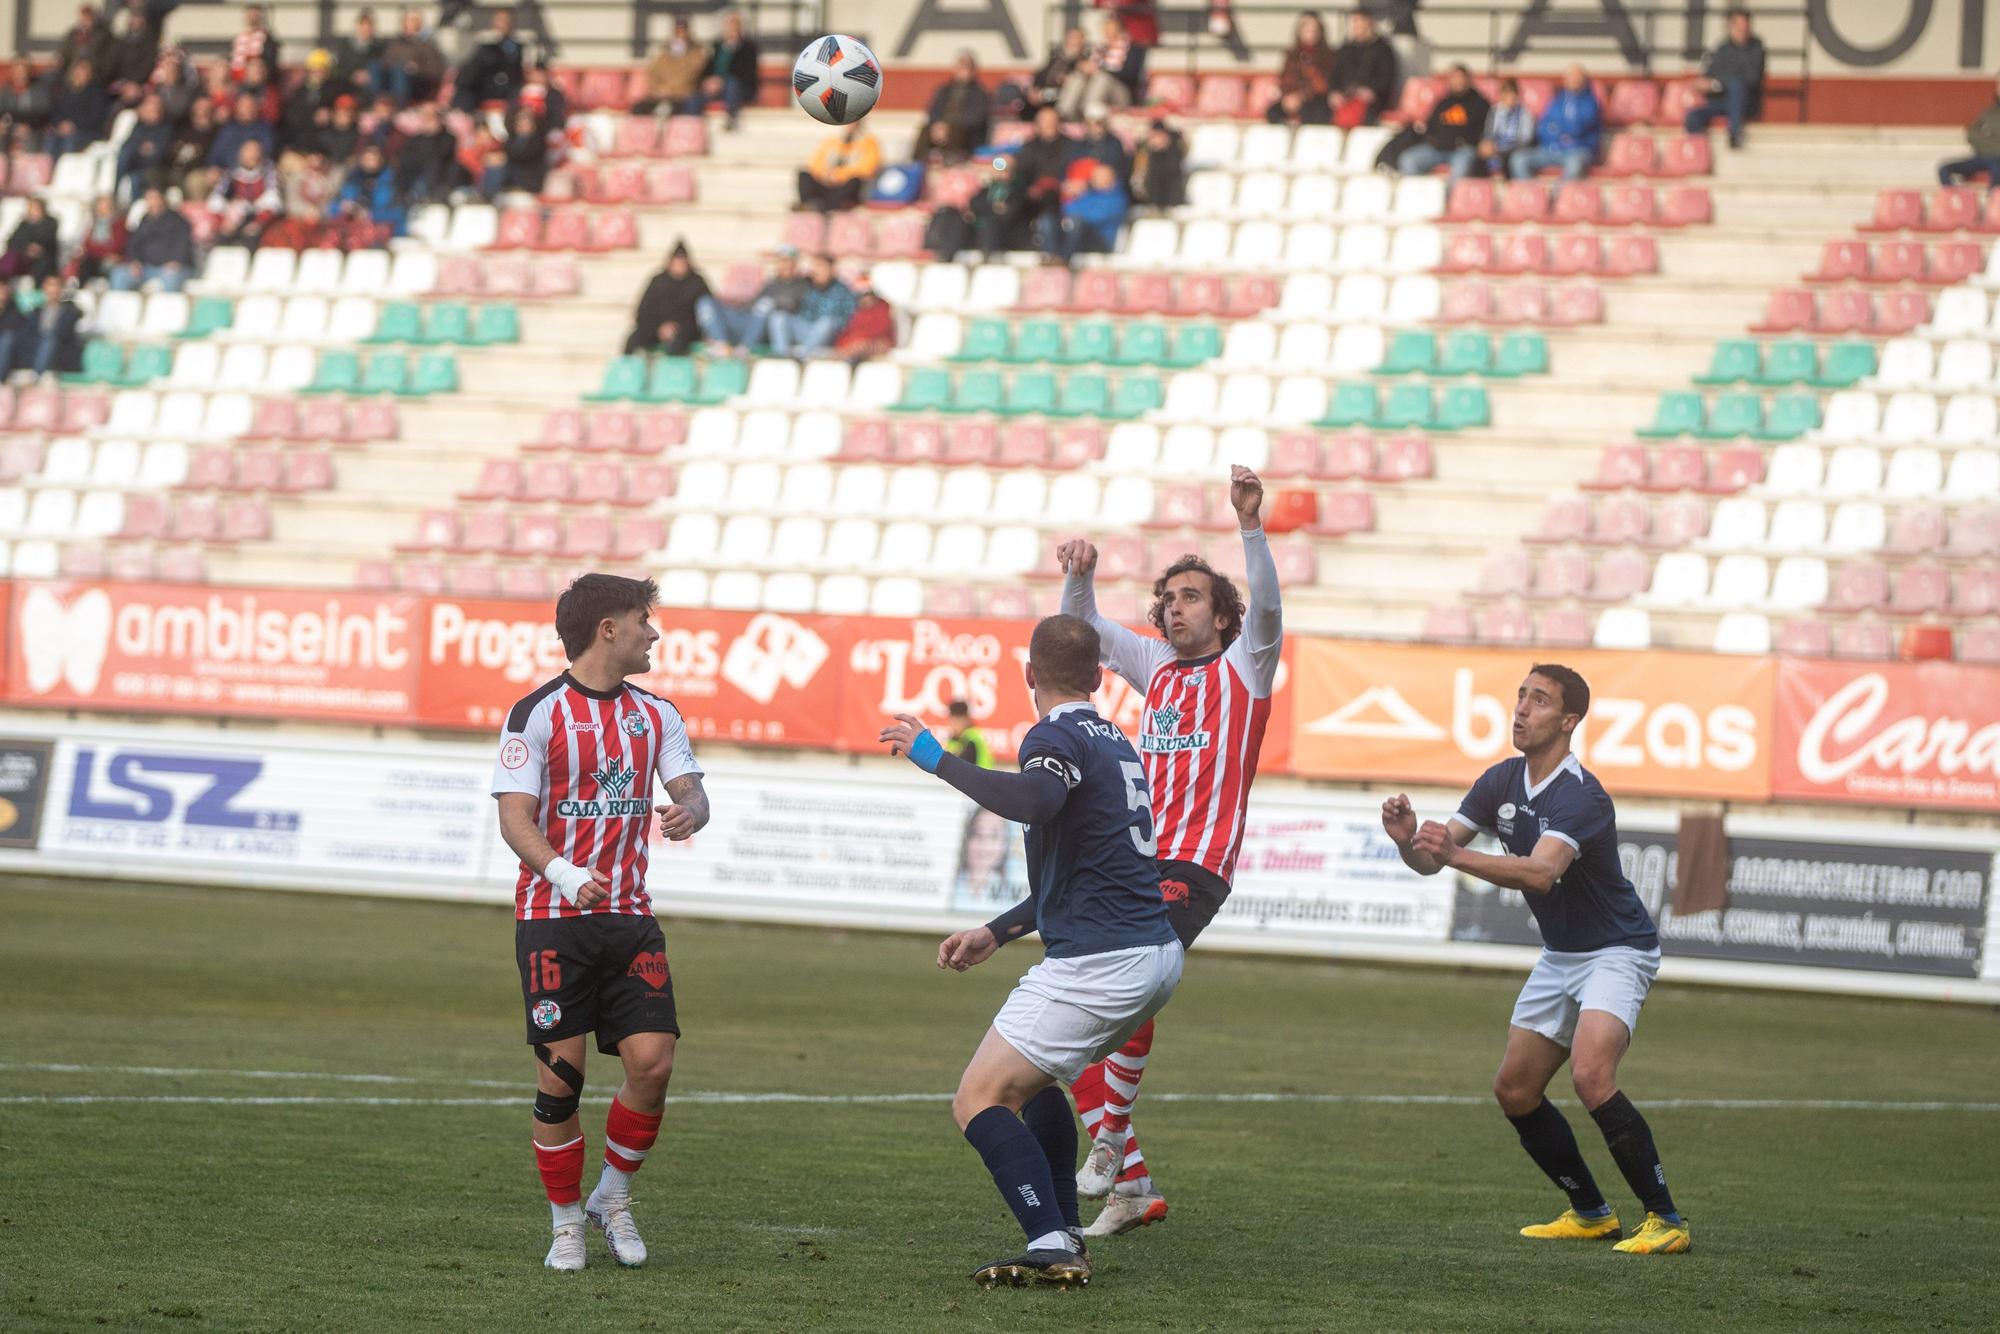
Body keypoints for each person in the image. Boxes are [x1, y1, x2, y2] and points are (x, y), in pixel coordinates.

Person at [881, 613, 1183, 1289]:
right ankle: (1065, 1230)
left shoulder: (1053, 735)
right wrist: (998, 930)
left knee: (978, 1100)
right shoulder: (1116, 741)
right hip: (1150, 954)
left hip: (1101, 962)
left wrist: (936, 757)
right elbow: (1082, 868)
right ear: (1100, 676)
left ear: (1028, 675)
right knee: (1034, 1084)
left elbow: (1038, 801)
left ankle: (1049, 1238)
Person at [1381, 665, 1691, 1257]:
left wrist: (1450, 855)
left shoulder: (1582, 796)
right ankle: (1592, 1213)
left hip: (1617, 950)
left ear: (1569, 721)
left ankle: (1667, 1219)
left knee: (1591, 1075)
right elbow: (1433, 858)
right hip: (1561, 954)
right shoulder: (1500, 780)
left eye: (1539, 700)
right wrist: (1407, 842)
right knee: (1515, 1090)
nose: (1521, 708)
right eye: (1521, 695)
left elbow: (1542, 873)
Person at [1055, 466, 1282, 1237]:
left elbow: (1272, 608)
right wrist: (1078, 578)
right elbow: (1079, 634)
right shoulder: (1157, 669)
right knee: (1072, 1014)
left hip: (1196, 866)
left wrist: (1250, 527)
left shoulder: (1245, 666)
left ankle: (1112, 1137)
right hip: (1134, 863)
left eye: (1191, 597)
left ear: (1223, 616)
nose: (1174, 608)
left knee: (1127, 975)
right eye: (1169, 598)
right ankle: (1135, 1187)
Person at [492, 573, 711, 1272]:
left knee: (654, 1064)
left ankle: (611, 1198)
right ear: (608, 629)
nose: (655, 633)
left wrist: (690, 813)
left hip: (630, 919)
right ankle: (564, 1224)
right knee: (562, 1079)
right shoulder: (536, 713)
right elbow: (513, 818)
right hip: (554, 918)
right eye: (644, 620)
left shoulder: (657, 715)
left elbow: (693, 791)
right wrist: (563, 873)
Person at [696, 245, 807, 356]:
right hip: (750, 321)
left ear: (795, 264)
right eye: (782, 261)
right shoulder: (771, 284)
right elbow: (753, 305)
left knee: (766, 305)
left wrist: (774, 303)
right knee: (705, 302)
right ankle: (721, 344)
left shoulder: (802, 284)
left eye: (788, 261)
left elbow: (789, 305)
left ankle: (746, 348)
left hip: (770, 328)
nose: (785, 265)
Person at [1386, 63, 1488, 178]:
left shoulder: (1480, 104)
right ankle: (1426, 193)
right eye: (1454, 78)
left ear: (1468, 80)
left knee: (1461, 167)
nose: (1458, 81)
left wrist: (1469, 142)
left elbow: (1484, 130)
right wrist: (1432, 139)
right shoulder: (1443, 103)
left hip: (1463, 150)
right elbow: (1431, 125)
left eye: (1461, 77)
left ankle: (1454, 196)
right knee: (1408, 160)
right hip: (1437, 148)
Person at [1683, 9, 1764, 150]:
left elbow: (1752, 79)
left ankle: (1735, 134)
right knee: (1693, 116)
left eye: (1744, 25)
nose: (1742, 29)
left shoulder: (1756, 49)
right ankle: (1697, 151)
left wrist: (1719, 83)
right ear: (1731, 26)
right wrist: (1706, 83)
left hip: (1745, 102)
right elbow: (1708, 77)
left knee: (1736, 86)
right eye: (1738, 25)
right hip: (1721, 102)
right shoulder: (1722, 49)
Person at [1512, 64, 1602, 180]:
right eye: (1570, 77)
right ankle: (1533, 194)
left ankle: (1558, 195)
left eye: (1577, 77)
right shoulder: (1557, 100)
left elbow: (1577, 128)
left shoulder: (1591, 103)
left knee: (1574, 165)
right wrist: (1558, 136)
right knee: (1519, 159)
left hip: (1578, 149)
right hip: (1551, 148)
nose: (1573, 80)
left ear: (1584, 81)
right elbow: (1544, 127)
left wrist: (1557, 128)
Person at [625, 241, 709, 357]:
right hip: (657, 327)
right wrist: (660, 328)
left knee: (677, 344)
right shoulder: (658, 281)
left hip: (686, 330)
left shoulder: (697, 283)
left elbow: (706, 312)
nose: (679, 265)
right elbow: (643, 311)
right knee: (634, 340)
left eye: (682, 261)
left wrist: (678, 328)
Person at [767, 252, 854, 358]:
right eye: (814, 267)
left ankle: (801, 357)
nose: (816, 271)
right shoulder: (807, 287)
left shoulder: (843, 291)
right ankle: (782, 356)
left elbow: (848, 319)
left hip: (827, 335)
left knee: (827, 322)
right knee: (778, 317)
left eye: (820, 266)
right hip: (807, 330)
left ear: (831, 269)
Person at [1012, 105, 1073, 254]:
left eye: (1052, 121)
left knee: (1049, 202)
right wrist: (1000, 164)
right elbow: (1006, 164)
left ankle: (1052, 252)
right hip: (1032, 194)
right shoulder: (1029, 146)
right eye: (1044, 121)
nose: (1048, 125)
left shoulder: (1071, 146)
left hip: (1060, 194)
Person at [0, 274, 85, 378]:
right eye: (50, 285)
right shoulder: (36, 311)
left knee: (49, 339)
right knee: (7, 338)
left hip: (59, 350)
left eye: (56, 285)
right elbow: (27, 334)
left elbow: (63, 334)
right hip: (36, 348)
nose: (53, 289)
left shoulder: (70, 311)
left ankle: (36, 378)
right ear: (44, 288)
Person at [112, 188, 196, 292]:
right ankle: (119, 308)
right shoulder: (144, 221)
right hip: (146, 268)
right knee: (120, 274)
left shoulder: (178, 221)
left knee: (171, 278)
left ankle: (168, 308)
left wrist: (176, 261)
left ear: (163, 200)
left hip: (174, 268)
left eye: (155, 198)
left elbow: (184, 244)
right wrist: (135, 261)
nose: (152, 202)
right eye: (149, 199)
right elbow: (133, 244)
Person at [689, 11, 758, 131]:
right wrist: (708, 81)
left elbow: (747, 73)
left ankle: (731, 119)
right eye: (728, 25)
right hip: (715, 87)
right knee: (694, 97)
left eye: (734, 25)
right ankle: (694, 126)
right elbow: (708, 68)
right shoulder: (717, 45)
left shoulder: (748, 47)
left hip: (739, 88)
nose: (731, 28)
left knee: (732, 83)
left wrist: (722, 81)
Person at [1328, 9, 1397, 127]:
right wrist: (1334, 92)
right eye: (1354, 22)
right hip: (1346, 98)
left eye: (1360, 22)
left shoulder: (1383, 50)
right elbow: (1334, 76)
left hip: (1373, 102)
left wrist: (1372, 91)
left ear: (1370, 24)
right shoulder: (1345, 50)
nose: (1356, 26)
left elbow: (1387, 79)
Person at [1266, 11, 1336, 126]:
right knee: (1273, 113)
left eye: (1313, 27)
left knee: (1316, 113)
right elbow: (1285, 79)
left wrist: (1302, 96)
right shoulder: (1292, 55)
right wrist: (1287, 96)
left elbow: (1324, 84)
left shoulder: (1328, 55)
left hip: (1315, 100)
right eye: (1306, 27)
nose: (1310, 31)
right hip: (1290, 98)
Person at [918, 52, 990, 163]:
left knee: (955, 132)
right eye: (960, 67)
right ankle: (917, 166)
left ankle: (949, 165)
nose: (963, 72)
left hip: (966, 133)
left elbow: (976, 119)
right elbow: (933, 110)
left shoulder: (980, 93)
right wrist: (937, 125)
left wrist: (948, 126)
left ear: (973, 70)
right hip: (942, 128)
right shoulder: (944, 90)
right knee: (925, 130)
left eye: (966, 68)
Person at [210, 138, 281, 247]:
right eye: (247, 151)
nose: (251, 155)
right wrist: (224, 222)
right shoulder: (231, 173)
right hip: (236, 218)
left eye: (255, 151)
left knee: (253, 236)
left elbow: (273, 200)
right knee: (221, 236)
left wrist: (258, 223)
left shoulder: (268, 171)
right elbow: (216, 200)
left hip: (260, 218)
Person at [797, 123, 879, 212]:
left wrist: (839, 175)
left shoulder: (868, 143)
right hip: (826, 182)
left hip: (844, 186)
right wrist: (825, 174)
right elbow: (815, 162)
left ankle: (829, 208)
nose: (850, 127)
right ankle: (810, 205)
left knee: (855, 182)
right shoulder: (832, 141)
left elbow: (867, 168)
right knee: (804, 175)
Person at [456, 6, 526, 110]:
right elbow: (475, 66)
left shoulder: (516, 45)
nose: (502, 24)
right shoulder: (485, 43)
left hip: (507, 86)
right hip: (484, 85)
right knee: (464, 85)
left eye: (505, 21)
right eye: (499, 21)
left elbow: (515, 69)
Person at [1056, 162, 1127, 263]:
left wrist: (1077, 215)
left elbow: (1096, 218)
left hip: (1102, 241)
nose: (1094, 180)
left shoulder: (1117, 199)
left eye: (1099, 177)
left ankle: (1064, 259)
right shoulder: (1089, 195)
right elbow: (1068, 209)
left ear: (1110, 179)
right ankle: (1053, 255)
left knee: (1076, 223)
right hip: (1083, 235)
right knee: (1051, 221)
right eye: (1094, 177)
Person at [635, 17, 706, 115]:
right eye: (678, 31)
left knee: (675, 110)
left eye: (683, 31)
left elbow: (690, 75)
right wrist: (658, 89)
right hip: (661, 94)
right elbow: (653, 73)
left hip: (683, 95)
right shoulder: (664, 54)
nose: (680, 35)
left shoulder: (697, 53)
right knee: (638, 108)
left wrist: (670, 90)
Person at [1939, 73, 2000, 189]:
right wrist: (1992, 144)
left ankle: (1994, 204)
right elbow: (1972, 133)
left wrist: (1988, 142)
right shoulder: (1989, 112)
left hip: (1996, 161)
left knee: (1997, 171)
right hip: (1982, 157)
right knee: (1944, 169)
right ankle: (1958, 201)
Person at [46, 58, 112, 157]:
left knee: (69, 141)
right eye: (76, 71)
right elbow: (56, 112)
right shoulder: (65, 91)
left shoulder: (96, 93)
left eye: (82, 72)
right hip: (64, 129)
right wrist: (60, 124)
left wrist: (73, 125)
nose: (78, 75)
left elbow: (95, 117)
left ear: (89, 75)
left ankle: (67, 171)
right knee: (50, 138)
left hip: (87, 131)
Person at [115, 92, 175, 200]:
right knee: (123, 157)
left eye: (156, 109)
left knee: (136, 180)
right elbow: (126, 147)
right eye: (150, 110)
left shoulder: (166, 129)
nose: (153, 113)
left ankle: (135, 210)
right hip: (136, 167)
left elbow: (158, 156)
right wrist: (142, 149)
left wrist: (140, 151)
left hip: (156, 170)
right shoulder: (139, 127)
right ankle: (114, 193)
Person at [382, 6, 446, 104]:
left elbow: (436, 69)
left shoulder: (428, 44)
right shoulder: (396, 43)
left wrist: (417, 68)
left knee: (401, 74)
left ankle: (400, 105)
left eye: (414, 20)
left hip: (418, 81)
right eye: (409, 20)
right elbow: (386, 62)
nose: (412, 23)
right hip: (394, 78)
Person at [1476, 78, 1533, 179]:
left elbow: (1525, 139)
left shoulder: (1525, 113)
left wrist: (1501, 147)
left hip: (1514, 149)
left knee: (1512, 159)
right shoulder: (1494, 111)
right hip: (1495, 148)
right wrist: (1487, 144)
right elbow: (1488, 132)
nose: (1509, 98)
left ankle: (1513, 189)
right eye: (1505, 94)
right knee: (1478, 156)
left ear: (1517, 95)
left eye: (1511, 94)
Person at [833, 272, 895, 364]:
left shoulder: (883, 307)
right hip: (853, 344)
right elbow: (845, 331)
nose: (866, 298)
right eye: (861, 295)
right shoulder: (852, 309)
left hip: (874, 343)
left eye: (869, 293)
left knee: (863, 345)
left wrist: (860, 341)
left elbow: (882, 330)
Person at [1028, 27, 1089, 119]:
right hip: (1047, 92)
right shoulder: (1056, 58)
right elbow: (1042, 74)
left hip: (1064, 96)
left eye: (1078, 38)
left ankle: (1061, 117)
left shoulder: (1084, 59)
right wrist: (1034, 88)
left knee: (1046, 95)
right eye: (1072, 37)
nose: (1075, 41)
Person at [1127, 115, 1186, 209]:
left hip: (1172, 201)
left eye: (1159, 136)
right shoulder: (1144, 155)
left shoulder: (1175, 153)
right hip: (1149, 200)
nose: (1156, 140)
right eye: (1153, 136)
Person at [67, 194, 127, 284]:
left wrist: (95, 248)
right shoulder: (93, 224)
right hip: (95, 258)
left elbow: (116, 246)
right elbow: (87, 244)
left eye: (106, 207)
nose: (102, 210)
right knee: (84, 264)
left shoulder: (119, 225)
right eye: (100, 207)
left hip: (110, 260)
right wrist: (100, 249)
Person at [0, 197, 60, 282]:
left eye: (35, 207)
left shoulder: (51, 223)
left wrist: (36, 248)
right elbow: (12, 241)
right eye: (31, 207)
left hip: (43, 258)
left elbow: (47, 240)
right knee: (11, 256)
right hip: (23, 256)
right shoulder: (24, 224)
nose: (33, 210)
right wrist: (26, 248)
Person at [229, 5, 281, 85]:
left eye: (256, 15)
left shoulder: (267, 39)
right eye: (250, 15)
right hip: (236, 79)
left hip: (257, 81)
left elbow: (270, 64)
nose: (252, 18)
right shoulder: (239, 38)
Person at [947, 699, 995, 768]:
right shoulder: (958, 738)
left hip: (980, 777)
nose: (952, 725)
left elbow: (960, 767)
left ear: (964, 720)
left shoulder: (971, 739)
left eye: (955, 721)